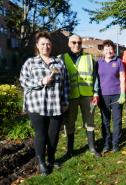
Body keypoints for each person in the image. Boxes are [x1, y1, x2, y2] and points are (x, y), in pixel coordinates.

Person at [19, 31, 69, 175]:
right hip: (36, 105)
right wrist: (41, 81)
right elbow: (23, 81)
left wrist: (65, 101)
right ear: (37, 46)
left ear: (51, 46)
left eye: (48, 44)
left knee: (53, 134)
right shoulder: (30, 62)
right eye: (42, 44)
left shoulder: (59, 63)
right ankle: (41, 162)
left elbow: (66, 84)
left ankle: (52, 159)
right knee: (41, 134)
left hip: (55, 104)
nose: (45, 47)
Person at [61, 34, 100, 157]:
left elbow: (95, 77)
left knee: (90, 122)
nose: (76, 45)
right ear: (68, 43)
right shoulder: (62, 58)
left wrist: (96, 93)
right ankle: (70, 150)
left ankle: (92, 148)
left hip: (87, 95)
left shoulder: (89, 58)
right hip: (70, 96)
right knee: (70, 122)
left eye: (79, 42)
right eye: (73, 42)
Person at [94, 40, 126, 153]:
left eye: (110, 48)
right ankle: (107, 143)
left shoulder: (118, 61)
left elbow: (122, 78)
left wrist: (123, 93)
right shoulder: (98, 63)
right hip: (103, 96)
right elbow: (96, 80)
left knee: (117, 120)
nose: (108, 51)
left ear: (113, 50)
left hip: (117, 95)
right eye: (106, 49)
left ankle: (115, 143)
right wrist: (96, 94)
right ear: (103, 50)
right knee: (105, 121)